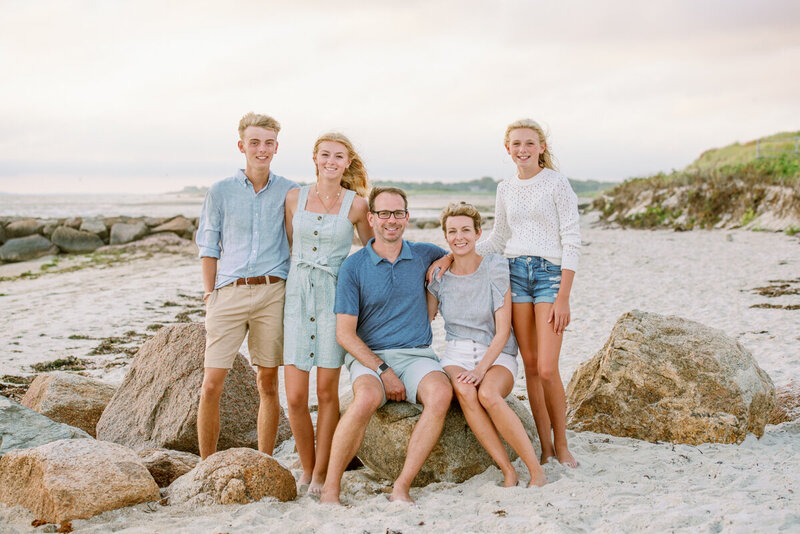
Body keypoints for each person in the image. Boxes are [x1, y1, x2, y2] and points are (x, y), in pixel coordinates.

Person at [429, 119, 581, 468]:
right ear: (508, 149)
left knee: (546, 368)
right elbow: (498, 239)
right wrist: (452, 254)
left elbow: (572, 238)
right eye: (516, 144)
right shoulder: (505, 188)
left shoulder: (557, 183)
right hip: (515, 272)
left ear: (542, 147)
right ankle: (544, 447)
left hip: (548, 275)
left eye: (529, 143)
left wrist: (564, 296)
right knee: (528, 365)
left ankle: (563, 444)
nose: (522, 150)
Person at [319, 186, 453, 505]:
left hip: (417, 354)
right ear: (371, 218)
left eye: (397, 213)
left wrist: (446, 259)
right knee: (365, 398)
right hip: (371, 359)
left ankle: (401, 486)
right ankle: (330, 489)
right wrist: (383, 370)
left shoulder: (424, 253)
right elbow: (345, 334)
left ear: (406, 217)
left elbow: (459, 253)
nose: (390, 220)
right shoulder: (354, 267)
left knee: (441, 395)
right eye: (383, 213)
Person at [195, 112, 298, 460]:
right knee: (211, 384)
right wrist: (210, 295)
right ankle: (206, 465)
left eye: (268, 143)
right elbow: (208, 247)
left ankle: (265, 461)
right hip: (228, 293)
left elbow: (301, 239)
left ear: (276, 147)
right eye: (254, 142)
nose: (262, 149)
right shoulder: (220, 192)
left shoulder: (290, 191)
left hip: (272, 293)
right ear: (242, 146)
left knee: (267, 383)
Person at [427, 202, 547, 487]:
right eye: (453, 231)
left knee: (489, 395)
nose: (460, 237)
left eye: (466, 230)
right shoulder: (439, 277)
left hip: (496, 354)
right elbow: (424, 320)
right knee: (466, 393)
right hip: (455, 354)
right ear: (446, 237)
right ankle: (507, 470)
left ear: (479, 232)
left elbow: (504, 330)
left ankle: (536, 471)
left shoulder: (494, 266)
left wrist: (482, 369)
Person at [283, 133, 372, 495]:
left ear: (347, 162)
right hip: (296, 297)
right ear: (315, 158)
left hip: (335, 299)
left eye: (339, 156)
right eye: (325, 155)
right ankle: (306, 467)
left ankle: (321, 473)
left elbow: (373, 249)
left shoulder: (357, 205)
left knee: (327, 392)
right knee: (295, 397)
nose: (331, 161)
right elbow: (289, 244)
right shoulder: (294, 198)